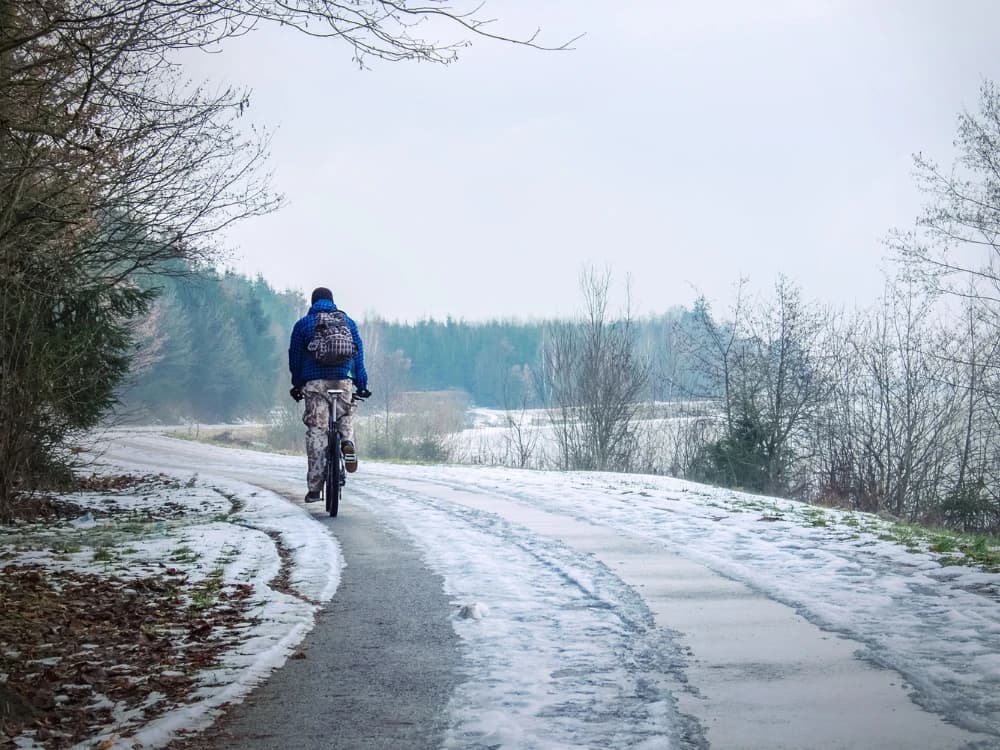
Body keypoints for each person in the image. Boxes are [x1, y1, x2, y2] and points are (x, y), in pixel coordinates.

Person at [288, 287, 370, 503]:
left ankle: (315, 488)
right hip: (343, 381)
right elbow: (358, 356)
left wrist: (297, 384)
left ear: (312, 302)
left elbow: (294, 358)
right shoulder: (347, 323)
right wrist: (361, 384)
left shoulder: (303, 325)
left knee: (317, 431)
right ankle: (347, 442)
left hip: (315, 384)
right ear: (332, 301)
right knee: (345, 416)